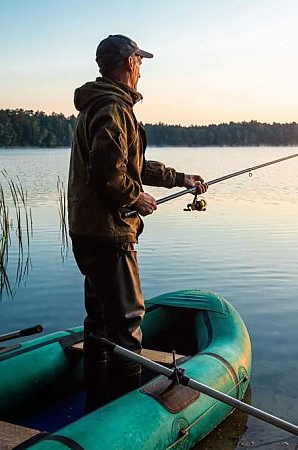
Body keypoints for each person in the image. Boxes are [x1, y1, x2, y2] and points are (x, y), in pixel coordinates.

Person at [67, 34, 207, 411]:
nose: (142, 70)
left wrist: (181, 178)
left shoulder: (98, 105)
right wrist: (135, 198)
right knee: (128, 327)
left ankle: (96, 407)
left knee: (98, 322)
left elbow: (130, 165)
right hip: (110, 234)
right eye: (140, 63)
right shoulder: (113, 108)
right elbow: (108, 173)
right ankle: (124, 417)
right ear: (129, 63)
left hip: (88, 230)